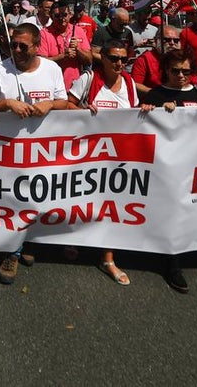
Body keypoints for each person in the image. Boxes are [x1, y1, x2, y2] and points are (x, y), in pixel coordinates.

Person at [0, 23, 69, 284]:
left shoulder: (52, 69)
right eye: (13, 45)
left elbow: (64, 102)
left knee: (39, 196)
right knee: (12, 200)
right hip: (8, 151)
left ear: (37, 46)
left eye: (23, 46)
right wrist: (7, 104)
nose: (16, 50)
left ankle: (28, 241)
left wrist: (49, 103)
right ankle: (12, 251)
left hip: (44, 151)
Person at [66, 40, 137, 286]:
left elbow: (135, 114)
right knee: (81, 199)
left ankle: (107, 258)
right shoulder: (88, 79)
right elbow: (66, 105)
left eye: (124, 60)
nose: (119, 64)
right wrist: (84, 111)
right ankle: (73, 239)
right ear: (102, 58)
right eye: (114, 58)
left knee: (112, 206)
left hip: (117, 157)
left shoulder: (128, 83)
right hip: (86, 154)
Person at [139, 49, 197, 292]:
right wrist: (152, 111)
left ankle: (174, 254)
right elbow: (140, 127)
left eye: (186, 71)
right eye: (175, 71)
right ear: (165, 71)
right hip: (163, 164)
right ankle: (170, 260)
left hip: (190, 161)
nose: (181, 76)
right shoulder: (157, 94)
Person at [38, 1, 93, 89]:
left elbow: (89, 60)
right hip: (52, 86)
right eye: (57, 16)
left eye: (64, 15)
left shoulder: (79, 31)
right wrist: (62, 56)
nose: (61, 18)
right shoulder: (43, 34)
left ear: (70, 15)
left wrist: (78, 49)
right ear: (51, 16)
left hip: (74, 87)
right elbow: (41, 62)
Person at [131, 25, 180, 92]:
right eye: (167, 40)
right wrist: (155, 93)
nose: (172, 43)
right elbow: (136, 85)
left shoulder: (182, 59)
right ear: (156, 40)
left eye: (176, 40)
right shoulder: (144, 59)